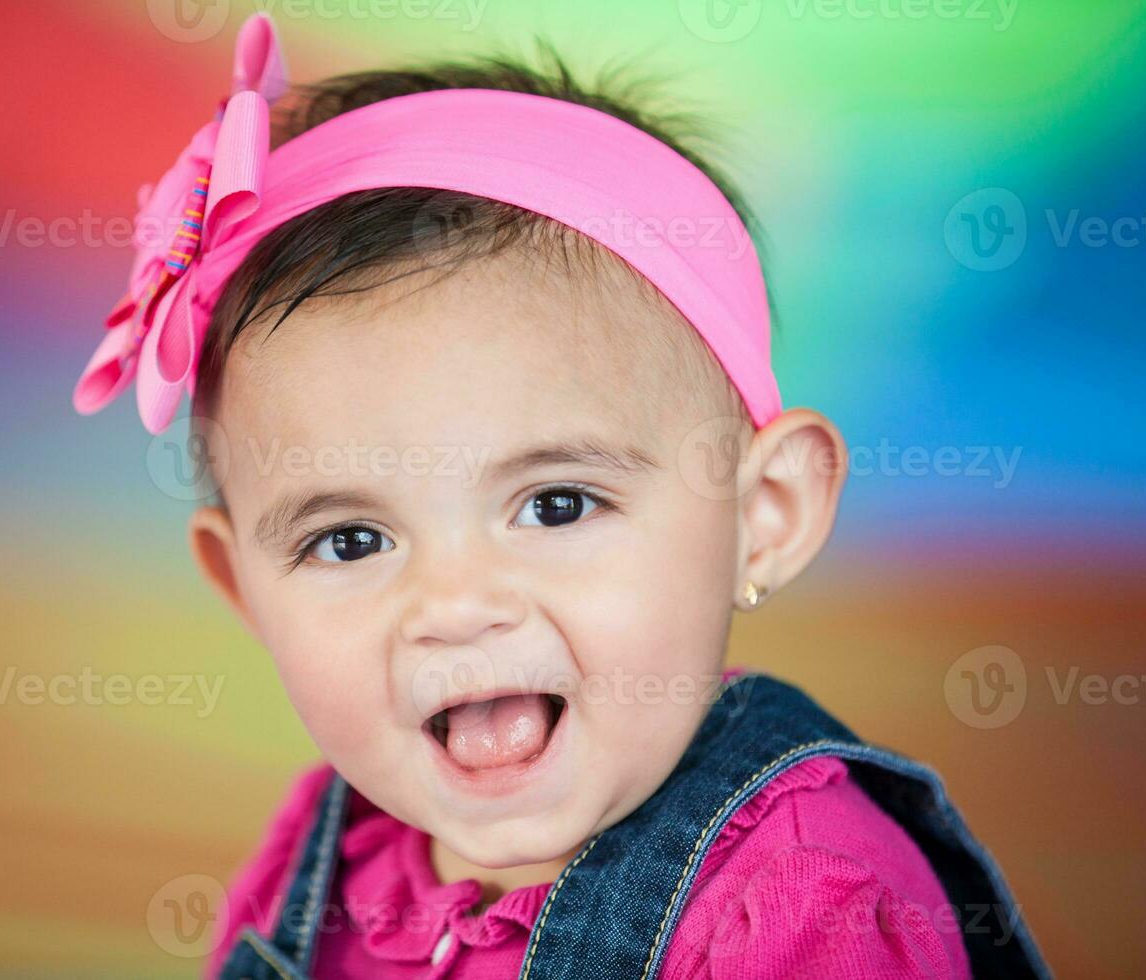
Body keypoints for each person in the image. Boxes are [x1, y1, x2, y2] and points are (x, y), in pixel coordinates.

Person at [73, 13, 1047, 979]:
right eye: (353, 539)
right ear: (244, 584)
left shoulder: (808, 898)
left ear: (765, 513)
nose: (454, 605)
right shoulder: (323, 863)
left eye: (556, 505)